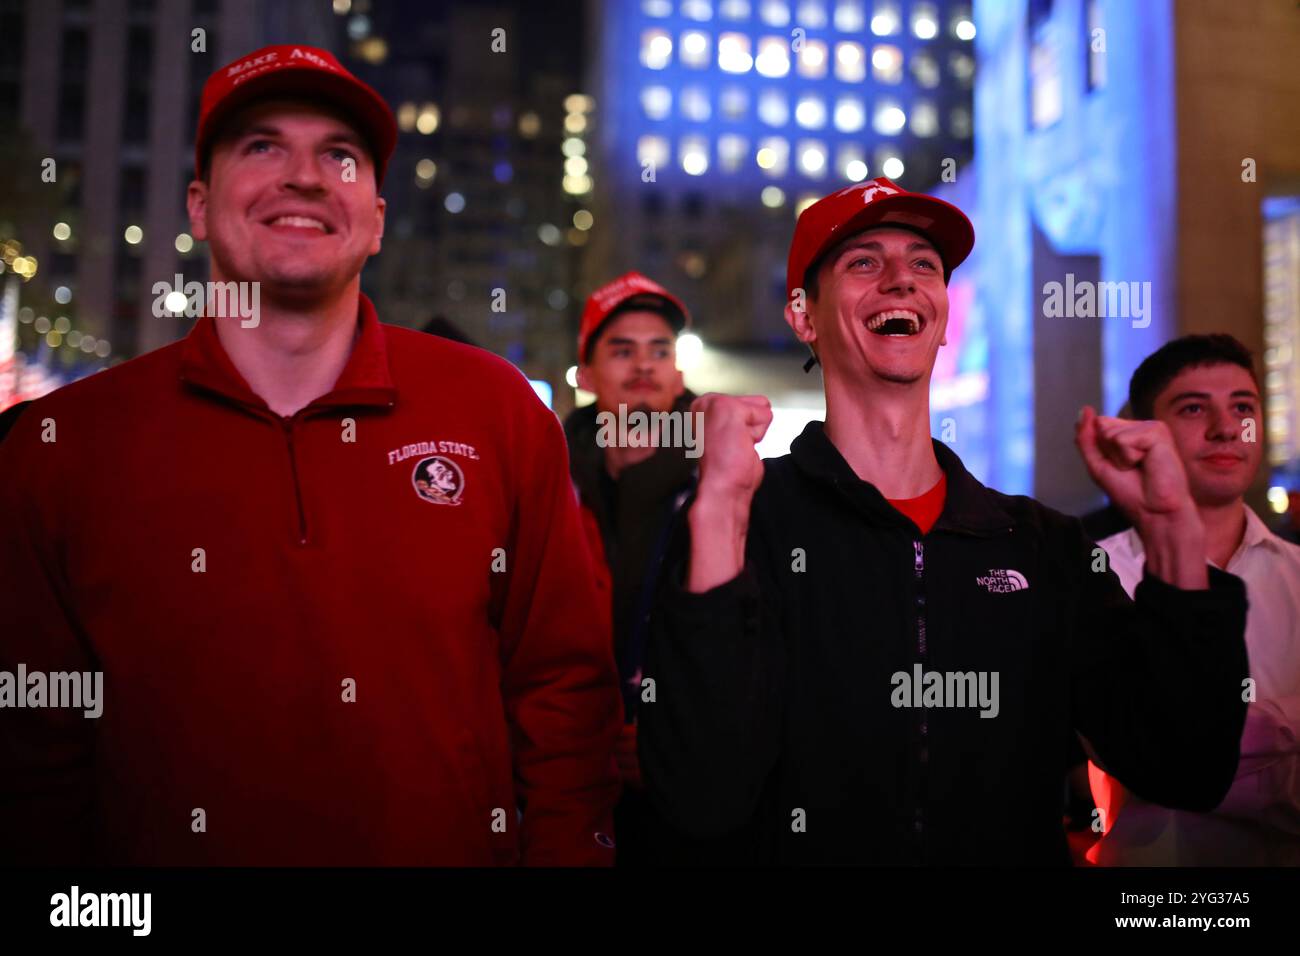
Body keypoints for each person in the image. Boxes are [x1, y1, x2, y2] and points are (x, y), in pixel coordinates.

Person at [0, 44, 620, 865]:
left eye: (340, 155)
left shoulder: (498, 410)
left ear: (377, 221)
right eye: (262, 145)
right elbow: (33, 756)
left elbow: (565, 696)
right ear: (197, 204)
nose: (304, 176)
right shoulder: (63, 445)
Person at [639, 177, 1250, 865]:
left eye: (924, 265)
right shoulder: (744, 521)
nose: (901, 279)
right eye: (864, 261)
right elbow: (699, 802)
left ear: (943, 315)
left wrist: (1173, 533)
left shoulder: (1042, 546)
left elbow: (1186, 770)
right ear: (804, 317)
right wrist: (719, 511)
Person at [1089, 334, 1300, 865]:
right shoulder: (1097, 572)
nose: (1227, 428)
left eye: (1243, 408)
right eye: (1192, 408)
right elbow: (1154, 761)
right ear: (1142, 433)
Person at [564, 272, 698, 863]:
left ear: (679, 375)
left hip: (693, 795)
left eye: (659, 351)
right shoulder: (549, 479)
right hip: (566, 778)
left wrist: (676, 735)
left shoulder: (726, 478)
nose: (644, 365)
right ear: (587, 376)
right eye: (622, 350)